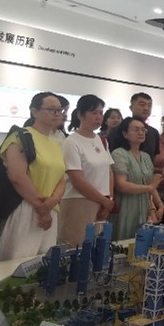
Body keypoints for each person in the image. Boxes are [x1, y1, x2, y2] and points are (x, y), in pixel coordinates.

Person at [0, 93, 67, 262]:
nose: (57, 114)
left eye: (60, 110)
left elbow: (61, 178)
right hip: (25, 208)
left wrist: (52, 202)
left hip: (50, 210)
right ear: (34, 111)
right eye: (51, 109)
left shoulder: (55, 143)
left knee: (44, 262)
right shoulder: (21, 137)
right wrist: (42, 208)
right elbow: (17, 176)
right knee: (16, 262)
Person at [59, 95, 116, 248]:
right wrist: (104, 200)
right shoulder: (71, 142)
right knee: (76, 247)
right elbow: (77, 179)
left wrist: (109, 199)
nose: (99, 117)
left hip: (102, 202)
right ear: (80, 115)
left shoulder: (101, 140)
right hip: (79, 202)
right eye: (94, 113)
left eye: (101, 113)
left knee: (97, 248)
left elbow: (109, 171)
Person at [111, 116, 164, 240]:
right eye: (136, 130)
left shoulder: (146, 156)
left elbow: (151, 185)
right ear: (125, 134)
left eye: (143, 130)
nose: (141, 132)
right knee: (124, 242)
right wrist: (149, 187)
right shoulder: (119, 154)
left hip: (144, 208)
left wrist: (159, 205)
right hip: (125, 207)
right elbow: (121, 185)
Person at [107, 91, 160, 160]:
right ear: (131, 107)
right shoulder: (117, 130)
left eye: (149, 106)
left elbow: (154, 157)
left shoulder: (154, 132)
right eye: (142, 105)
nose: (146, 108)